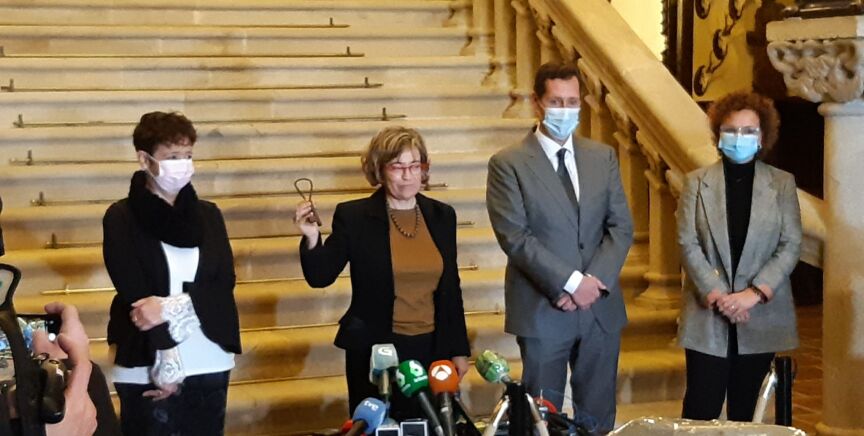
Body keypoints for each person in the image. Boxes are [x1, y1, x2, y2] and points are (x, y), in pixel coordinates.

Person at [485, 62, 633, 432]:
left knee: (597, 418)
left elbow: (620, 226)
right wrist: (570, 283)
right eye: (556, 101)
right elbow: (515, 236)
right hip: (543, 308)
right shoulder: (508, 163)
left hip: (599, 307)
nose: (565, 110)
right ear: (537, 102)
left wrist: (592, 282)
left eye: (572, 102)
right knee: (541, 417)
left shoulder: (602, 157)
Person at [293, 126, 471, 418]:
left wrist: (459, 349)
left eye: (415, 166)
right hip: (377, 350)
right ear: (379, 169)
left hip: (432, 347)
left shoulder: (442, 216)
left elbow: (451, 287)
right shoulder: (354, 216)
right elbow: (320, 276)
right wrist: (312, 237)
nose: (407, 175)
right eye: (397, 167)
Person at [102, 112, 241, 435]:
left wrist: (170, 306)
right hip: (147, 355)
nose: (183, 165)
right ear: (145, 159)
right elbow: (134, 292)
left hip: (209, 354)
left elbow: (224, 281)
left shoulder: (208, 214)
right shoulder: (121, 216)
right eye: (172, 157)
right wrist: (166, 357)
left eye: (188, 155)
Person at [676, 91, 801, 421]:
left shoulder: (782, 184)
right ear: (718, 135)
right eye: (731, 130)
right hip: (707, 312)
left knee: (749, 413)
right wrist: (719, 295)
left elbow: (790, 244)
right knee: (700, 409)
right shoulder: (696, 183)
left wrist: (753, 293)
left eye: (748, 131)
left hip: (760, 313)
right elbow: (688, 243)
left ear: (762, 137)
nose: (739, 137)